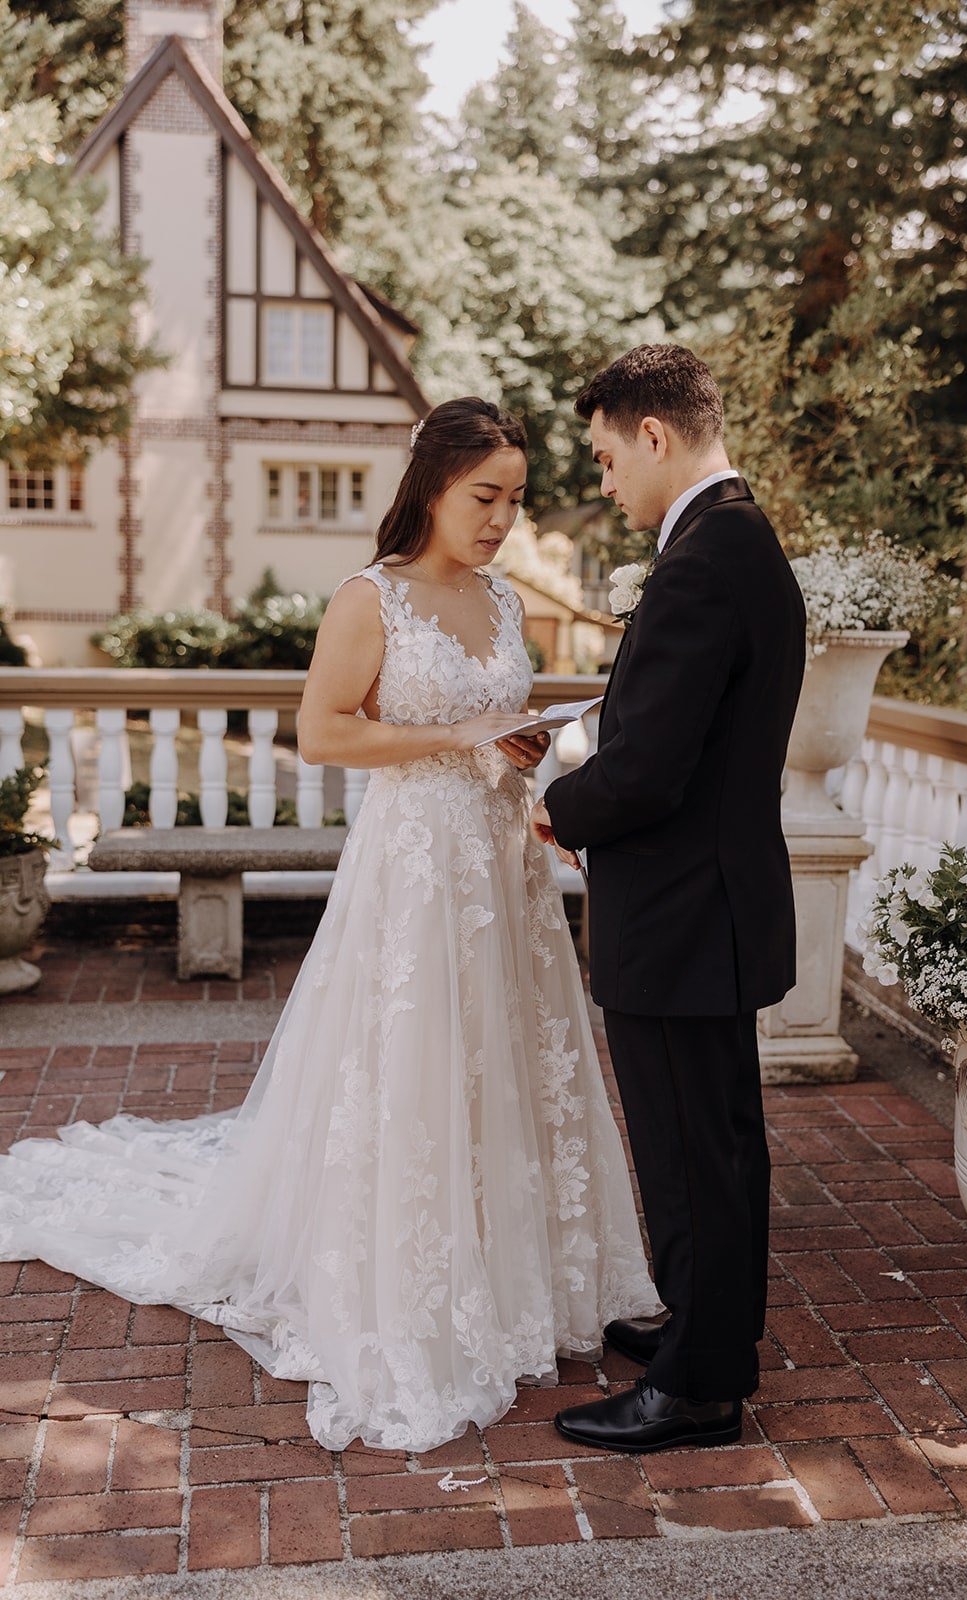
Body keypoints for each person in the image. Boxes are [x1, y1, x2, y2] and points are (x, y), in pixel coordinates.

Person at [0, 397, 659, 1454]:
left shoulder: (502, 601)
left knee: (508, 1059)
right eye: (484, 497)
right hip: (415, 867)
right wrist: (464, 734)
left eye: (516, 499)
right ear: (432, 486)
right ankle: (417, 1287)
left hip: (501, 866)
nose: (500, 519)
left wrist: (526, 760)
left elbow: (500, 728)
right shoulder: (371, 598)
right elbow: (320, 734)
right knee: (421, 1061)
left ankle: (524, 1272)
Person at [532, 346, 806, 1453]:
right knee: (714, 1141)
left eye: (603, 459)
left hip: (684, 915)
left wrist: (558, 802)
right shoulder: (733, 538)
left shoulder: (703, 557)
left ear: (654, 434)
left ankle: (696, 1387)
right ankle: (708, 1327)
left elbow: (647, 767)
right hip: (709, 906)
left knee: (692, 1149)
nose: (602, 482)